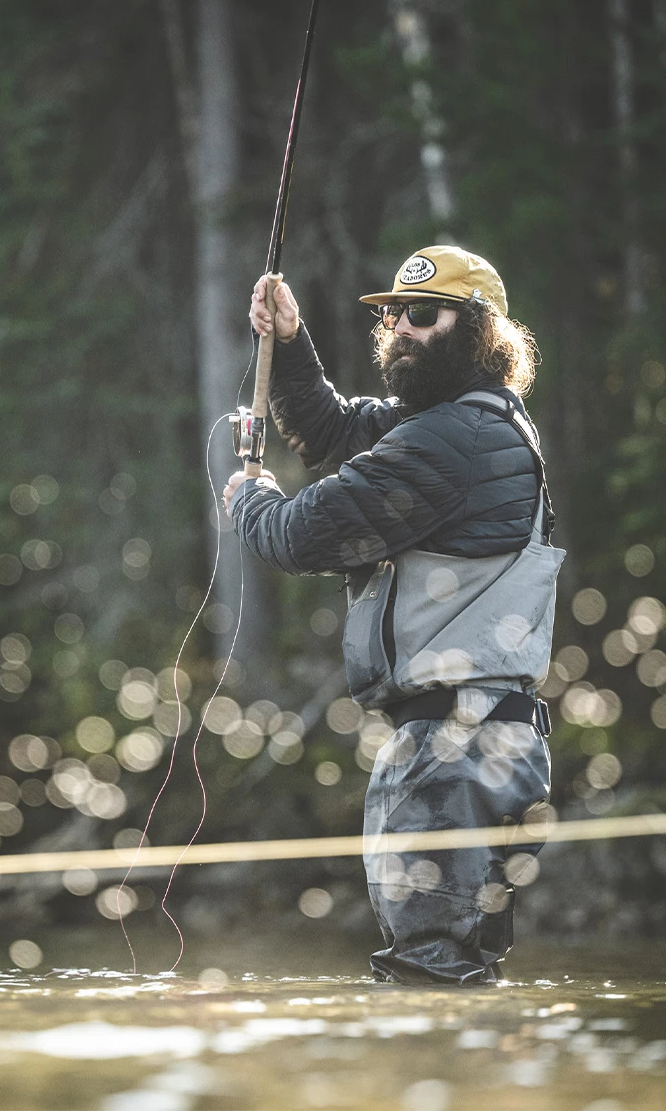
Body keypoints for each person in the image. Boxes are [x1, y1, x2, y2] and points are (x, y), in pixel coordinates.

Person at [223, 245, 564, 985]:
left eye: (421, 314)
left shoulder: (453, 442)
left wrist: (249, 497)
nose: (399, 329)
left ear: (480, 331)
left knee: (428, 985)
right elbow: (337, 431)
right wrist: (288, 345)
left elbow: (303, 533)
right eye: (390, 315)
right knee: (455, 981)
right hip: (482, 746)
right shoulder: (469, 426)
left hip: (456, 754)